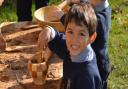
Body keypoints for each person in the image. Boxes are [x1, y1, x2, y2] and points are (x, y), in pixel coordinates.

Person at [38, 3, 102, 89]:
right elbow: (58, 40)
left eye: (81, 34)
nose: (74, 40)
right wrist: (49, 31)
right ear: (65, 30)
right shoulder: (72, 48)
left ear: (92, 38)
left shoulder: (86, 78)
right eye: (70, 32)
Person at [52, 0, 111, 88]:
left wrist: (63, 17)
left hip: (99, 64)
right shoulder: (99, 6)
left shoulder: (100, 19)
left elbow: (80, 25)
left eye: (81, 34)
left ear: (92, 37)